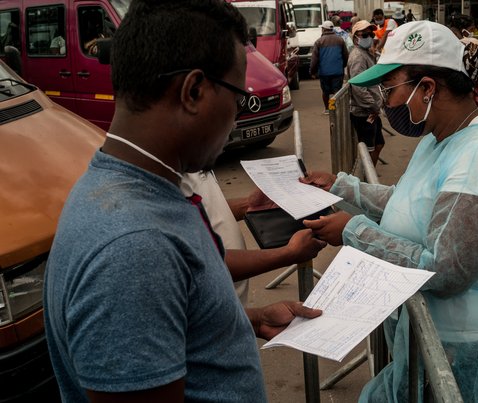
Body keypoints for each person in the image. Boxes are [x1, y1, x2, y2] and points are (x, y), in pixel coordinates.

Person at [43, 1, 323, 401]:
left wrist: (243, 321)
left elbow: (174, 307)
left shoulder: (142, 189)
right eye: (239, 100)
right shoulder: (134, 247)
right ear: (193, 91)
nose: (237, 117)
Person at [301, 21, 478, 402]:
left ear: (427, 88)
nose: (386, 103)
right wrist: (341, 185)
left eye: (390, 89)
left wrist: (354, 231)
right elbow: (409, 202)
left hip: (463, 345)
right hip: (433, 337)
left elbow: (447, 269)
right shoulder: (443, 136)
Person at [181, 171, 326, 305]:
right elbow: (196, 264)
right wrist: (288, 253)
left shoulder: (192, 161)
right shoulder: (173, 177)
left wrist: (248, 205)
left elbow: (207, 211)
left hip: (229, 307)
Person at [347, 20, 384, 167]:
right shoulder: (358, 57)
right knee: (368, 150)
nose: (369, 36)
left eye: (371, 33)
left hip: (371, 110)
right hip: (364, 113)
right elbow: (358, 87)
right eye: (365, 34)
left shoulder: (366, 53)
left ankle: (369, 175)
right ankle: (366, 178)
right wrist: (373, 106)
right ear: (355, 37)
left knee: (379, 144)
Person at [448, 13, 478, 107]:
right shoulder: (474, 43)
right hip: (471, 91)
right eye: (471, 29)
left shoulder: (446, 41)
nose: (472, 32)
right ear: (463, 30)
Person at [310, 20, 349, 114]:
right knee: (337, 91)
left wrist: (312, 72)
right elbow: (346, 56)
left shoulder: (319, 42)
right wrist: (342, 66)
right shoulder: (340, 40)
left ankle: (328, 109)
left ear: (323, 29)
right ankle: (335, 108)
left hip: (324, 72)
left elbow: (314, 59)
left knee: (325, 92)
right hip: (338, 72)